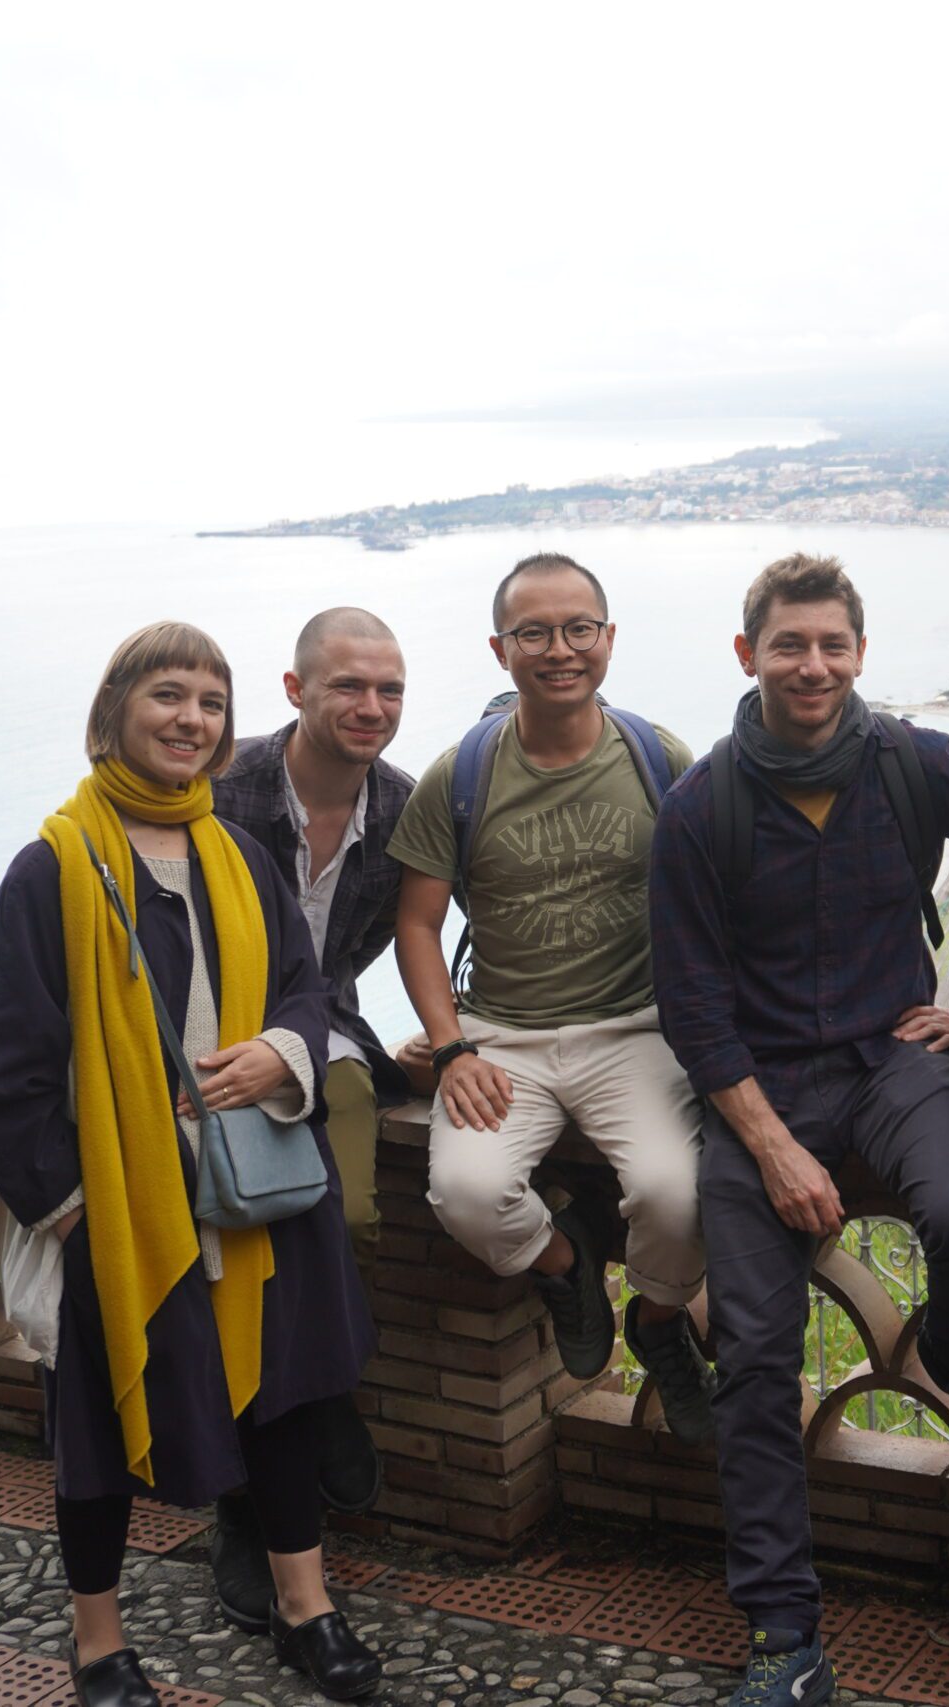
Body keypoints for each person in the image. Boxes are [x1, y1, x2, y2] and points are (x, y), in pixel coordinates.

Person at [0, 622, 383, 1706]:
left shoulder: (234, 856)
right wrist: (76, 1220)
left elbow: (307, 990)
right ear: (116, 712)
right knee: (94, 1430)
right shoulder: (49, 869)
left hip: (254, 1187)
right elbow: (2, 1074)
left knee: (281, 1404)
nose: (190, 720)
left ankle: (305, 1608)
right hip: (118, 1204)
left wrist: (281, 1054)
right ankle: (98, 1643)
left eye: (209, 702)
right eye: (168, 696)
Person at [648, 553, 949, 1707]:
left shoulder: (912, 764)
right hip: (759, 1086)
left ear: (860, 652)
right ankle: (780, 1630)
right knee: (756, 1355)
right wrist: (768, 1143)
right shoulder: (702, 804)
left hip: (891, 1058)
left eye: (831, 645)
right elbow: (691, 1001)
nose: (810, 665)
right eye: (787, 644)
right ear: (746, 654)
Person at [387, 552, 718, 1440]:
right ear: (501, 650)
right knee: (466, 1192)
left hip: (637, 1027)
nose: (559, 648)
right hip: (504, 1035)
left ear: (608, 640)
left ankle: (655, 1321)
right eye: (534, 631)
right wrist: (450, 1045)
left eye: (578, 629)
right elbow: (416, 924)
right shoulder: (458, 776)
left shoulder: (660, 759)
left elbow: (714, 895)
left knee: (675, 1193)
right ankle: (566, 1263)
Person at [205, 606, 414, 1630]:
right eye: (348, 687)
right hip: (209, 1053)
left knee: (340, 1222)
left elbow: (354, 965)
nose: (371, 708)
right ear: (295, 691)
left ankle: (318, 1399)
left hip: (315, 1035)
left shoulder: (404, 810)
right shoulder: (223, 788)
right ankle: (248, 1499)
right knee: (238, 1262)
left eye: (389, 691)